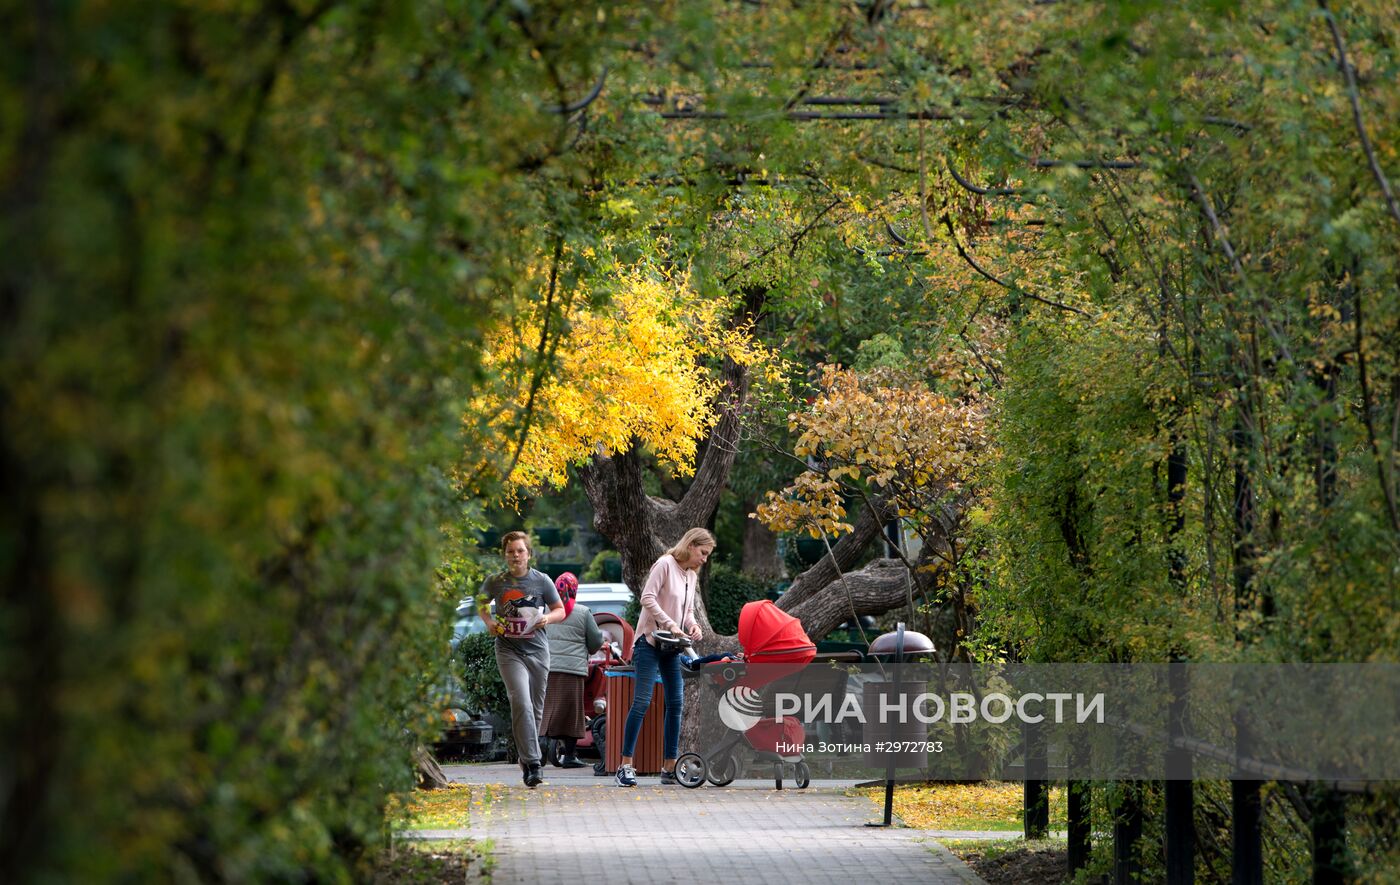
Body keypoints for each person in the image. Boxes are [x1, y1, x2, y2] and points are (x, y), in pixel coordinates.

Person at [615, 528, 714, 787]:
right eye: (703, 553)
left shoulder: (691, 576)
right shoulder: (665, 564)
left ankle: (669, 768)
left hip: (672, 647)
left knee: (676, 704)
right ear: (691, 545)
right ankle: (624, 765)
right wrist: (670, 624)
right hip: (649, 642)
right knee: (642, 701)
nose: (704, 559)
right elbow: (647, 597)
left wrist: (693, 626)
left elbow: (688, 611)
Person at [477, 531, 565, 788]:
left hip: (537, 650)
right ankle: (534, 764)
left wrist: (547, 619)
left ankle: (526, 762)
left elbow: (560, 609)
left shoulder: (542, 581)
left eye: (520, 551)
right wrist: (490, 622)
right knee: (521, 702)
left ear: (528, 554)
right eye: (510, 551)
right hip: (508, 650)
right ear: (504, 555)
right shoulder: (496, 581)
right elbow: (482, 603)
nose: (515, 555)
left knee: (535, 711)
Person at [539, 572, 604, 768]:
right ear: (574, 589)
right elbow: (595, 642)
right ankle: (569, 755)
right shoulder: (583, 612)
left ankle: (541, 741)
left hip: (547, 668)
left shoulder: (546, 611)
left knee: (546, 709)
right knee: (572, 713)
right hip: (572, 671)